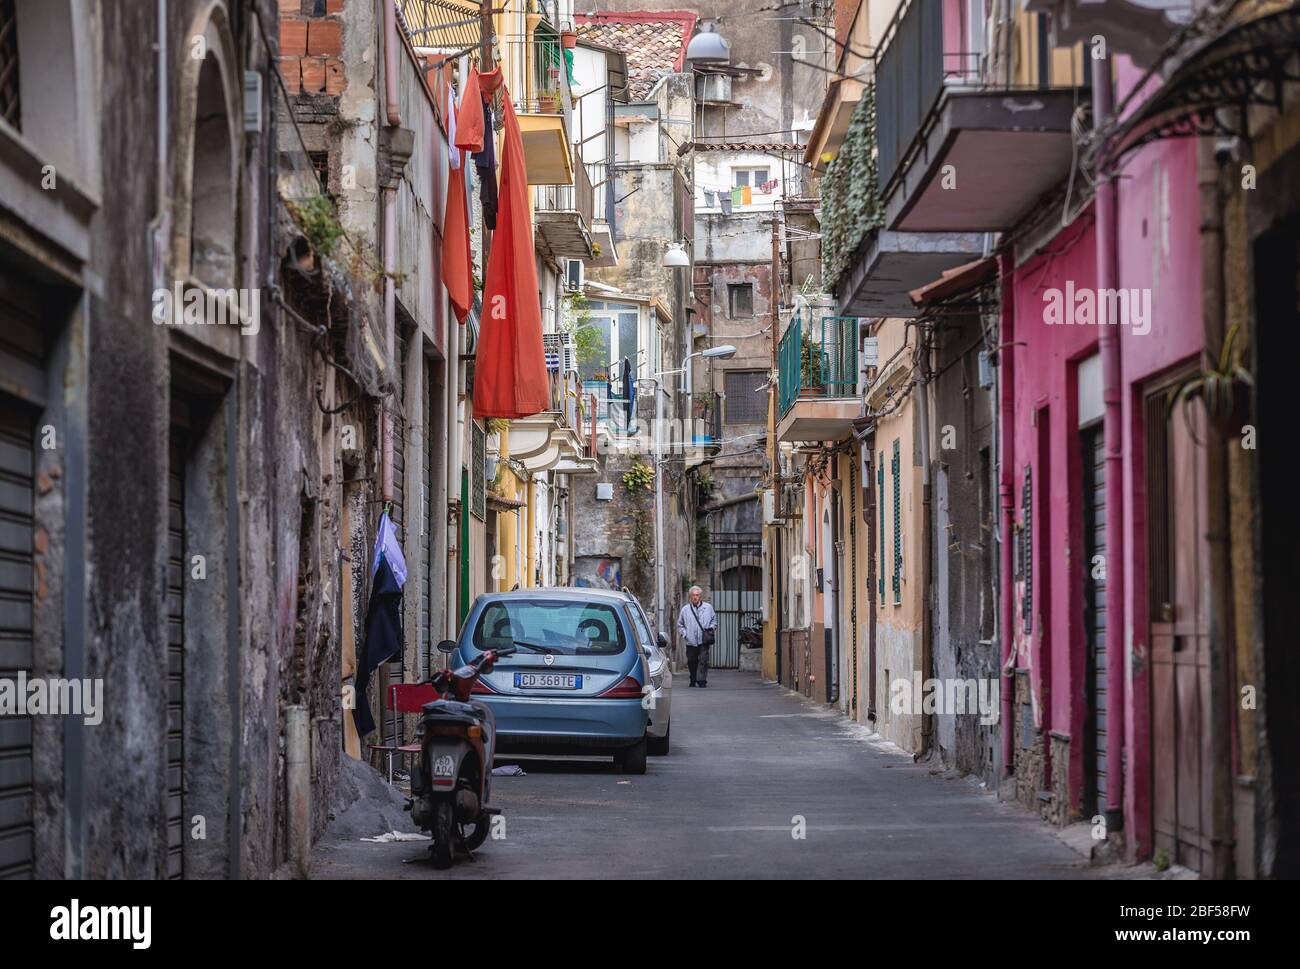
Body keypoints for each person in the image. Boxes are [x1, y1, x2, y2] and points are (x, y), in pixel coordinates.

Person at [677, 585, 717, 688]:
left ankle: (702, 680)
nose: (695, 597)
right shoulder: (685, 609)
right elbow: (680, 625)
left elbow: (714, 620)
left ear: (700, 596)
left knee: (703, 660)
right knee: (692, 661)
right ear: (690, 596)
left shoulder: (708, 608)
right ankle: (693, 678)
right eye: (693, 595)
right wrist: (685, 634)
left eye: (697, 595)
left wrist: (711, 628)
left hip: (704, 640)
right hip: (691, 641)